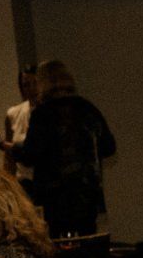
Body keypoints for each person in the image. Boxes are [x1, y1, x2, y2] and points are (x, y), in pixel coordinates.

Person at [17, 60, 117, 237]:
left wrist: (11, 148)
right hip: (88, 195)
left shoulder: (43, 114)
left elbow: (30, 155)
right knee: (88, 243)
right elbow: (109, 147)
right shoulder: (87, 108)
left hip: (54, 198)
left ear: (43, 83)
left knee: (60, 248)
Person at [0, 65, 38, 185]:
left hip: (47, 183)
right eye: (26, 85)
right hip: (24, 182)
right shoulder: (14, 113)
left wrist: (0, 142)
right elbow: (9, 158)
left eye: (36, 83)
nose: (32, 89)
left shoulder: (50, 112)